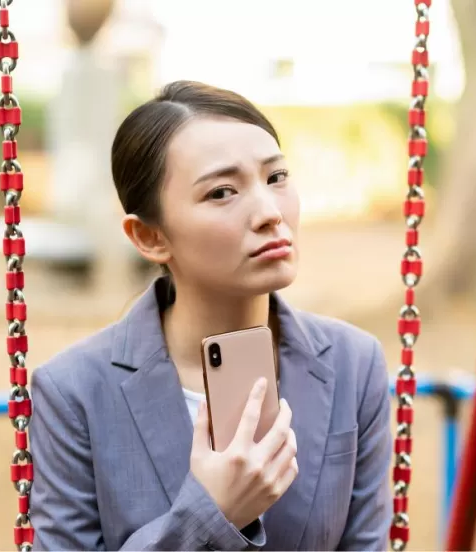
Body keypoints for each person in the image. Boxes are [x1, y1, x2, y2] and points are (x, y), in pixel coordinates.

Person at [28, 80, 393, 551]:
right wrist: (211, 514)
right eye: (222, 192)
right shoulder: (75, 391)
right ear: (150, 236)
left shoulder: (352, 364)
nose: (268, 213)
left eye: (276, 177)